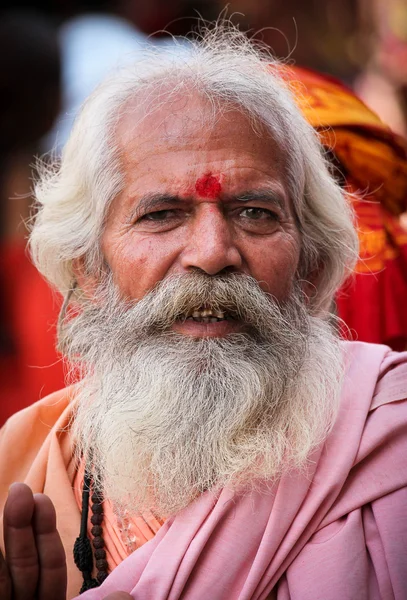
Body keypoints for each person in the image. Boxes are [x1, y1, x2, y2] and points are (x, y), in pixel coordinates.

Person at [0, 26, 406, 599]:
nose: (213, 253)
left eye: (256, 212)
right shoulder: (31, 467)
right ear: (89, 270)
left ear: (311, 265)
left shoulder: (390, 439)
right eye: (162, 213)